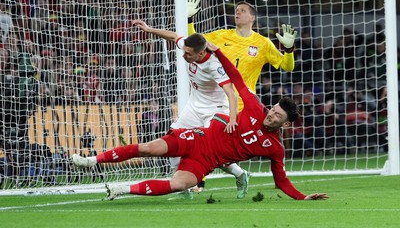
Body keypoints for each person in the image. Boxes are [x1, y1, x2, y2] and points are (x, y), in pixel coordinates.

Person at [71, 42, 329, 202]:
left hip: (205, 162)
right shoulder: (253, 107)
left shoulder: (275, 148)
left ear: (284, 124)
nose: (270, 115)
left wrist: (303, 196)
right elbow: (237, 78)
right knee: (149, 148)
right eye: (272, 110)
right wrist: (219, 53)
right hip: (196, 138)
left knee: (181, 184)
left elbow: (281, 180)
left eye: (276, 116)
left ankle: (121, 189)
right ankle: (91, 161)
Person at [186, 0, 298, 190]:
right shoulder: (222, 35)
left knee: (214, 144)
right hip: (215, 99)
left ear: (252, 18)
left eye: (242, 10)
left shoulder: (263, 43)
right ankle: (208, 179)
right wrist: (189, 20)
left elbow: (286, 66)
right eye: (236, 11)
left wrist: (289, 50)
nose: (237, 13)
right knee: (205, 140)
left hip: (244, 106)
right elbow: (193, 42)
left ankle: (201, 180)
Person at [132, 19, 247, 199]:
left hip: (216, 110)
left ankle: (241, 174)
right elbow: (173, 36)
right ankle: (183, 191)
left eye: (189, 55)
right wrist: (148, 29)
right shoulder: (189, 47)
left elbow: (231, 94)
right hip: (194, 107)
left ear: (201, 53)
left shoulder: (214, 65)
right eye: (184, 52)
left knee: (211, 151)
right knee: (173, 141)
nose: (184, 56)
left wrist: (232, 119)